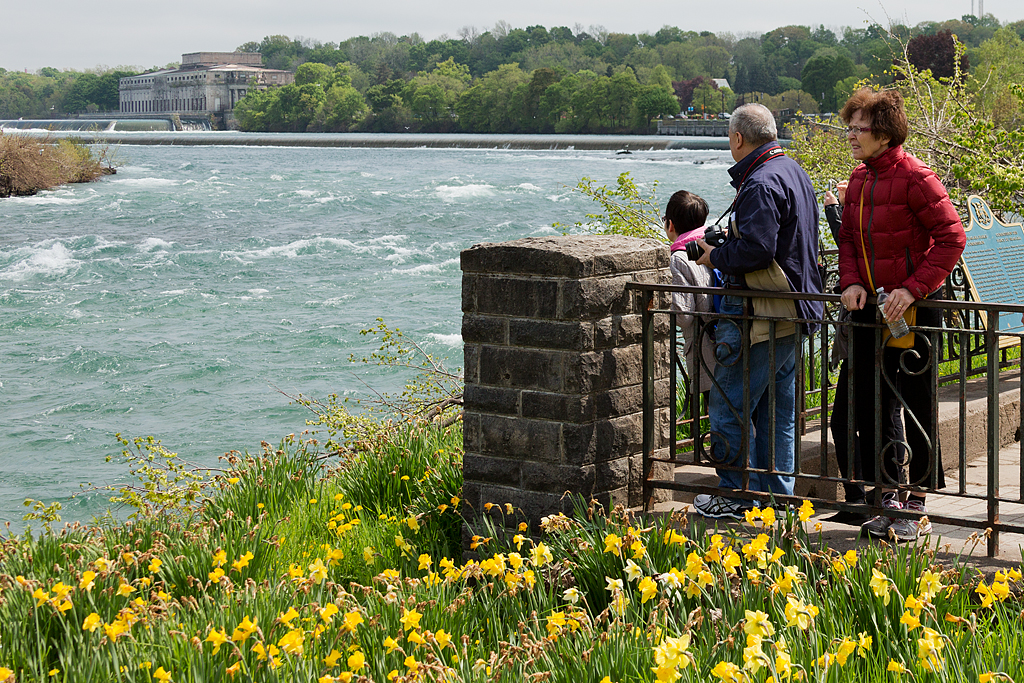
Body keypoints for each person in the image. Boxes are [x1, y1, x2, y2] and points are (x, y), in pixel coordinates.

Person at [836, 88, 965, 542]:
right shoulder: (858, 179)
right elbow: (848, 240)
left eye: (859, 128)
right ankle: (887, 496)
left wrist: (912, 290)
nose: (850, 135)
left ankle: (917, 503)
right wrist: (851, 281)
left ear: (885, 133)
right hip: (871, 311)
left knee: (916, 405)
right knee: (872, 405)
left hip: (913, 312)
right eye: (849, 126)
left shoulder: (917, 177)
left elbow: (952, 238)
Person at [691, 103, 824, 520]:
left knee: (728, 405)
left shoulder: (760, 182)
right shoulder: (792, 171)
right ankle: (777, 499)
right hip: (793, 312)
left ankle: (734, 494)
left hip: (757, 314)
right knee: (776, 414)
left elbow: (756, 250)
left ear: (736, 139)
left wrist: (715, 256)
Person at [824, 183, 906, 526]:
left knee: (880, 418)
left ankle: (884, 497)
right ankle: (869, 496)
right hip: (867, 330)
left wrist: (840, 209)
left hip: (881, 330)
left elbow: (867, 250)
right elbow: (854, 250)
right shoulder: (869, 194)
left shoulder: (888, 202)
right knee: (859, 418)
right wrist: (839, 211)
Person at [664, 190, 716, 395]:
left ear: (671, 225)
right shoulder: (714, 246)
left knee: (722, 417)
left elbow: (683, 317)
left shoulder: (679, 258)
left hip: (706, 351)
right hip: (730, 341)